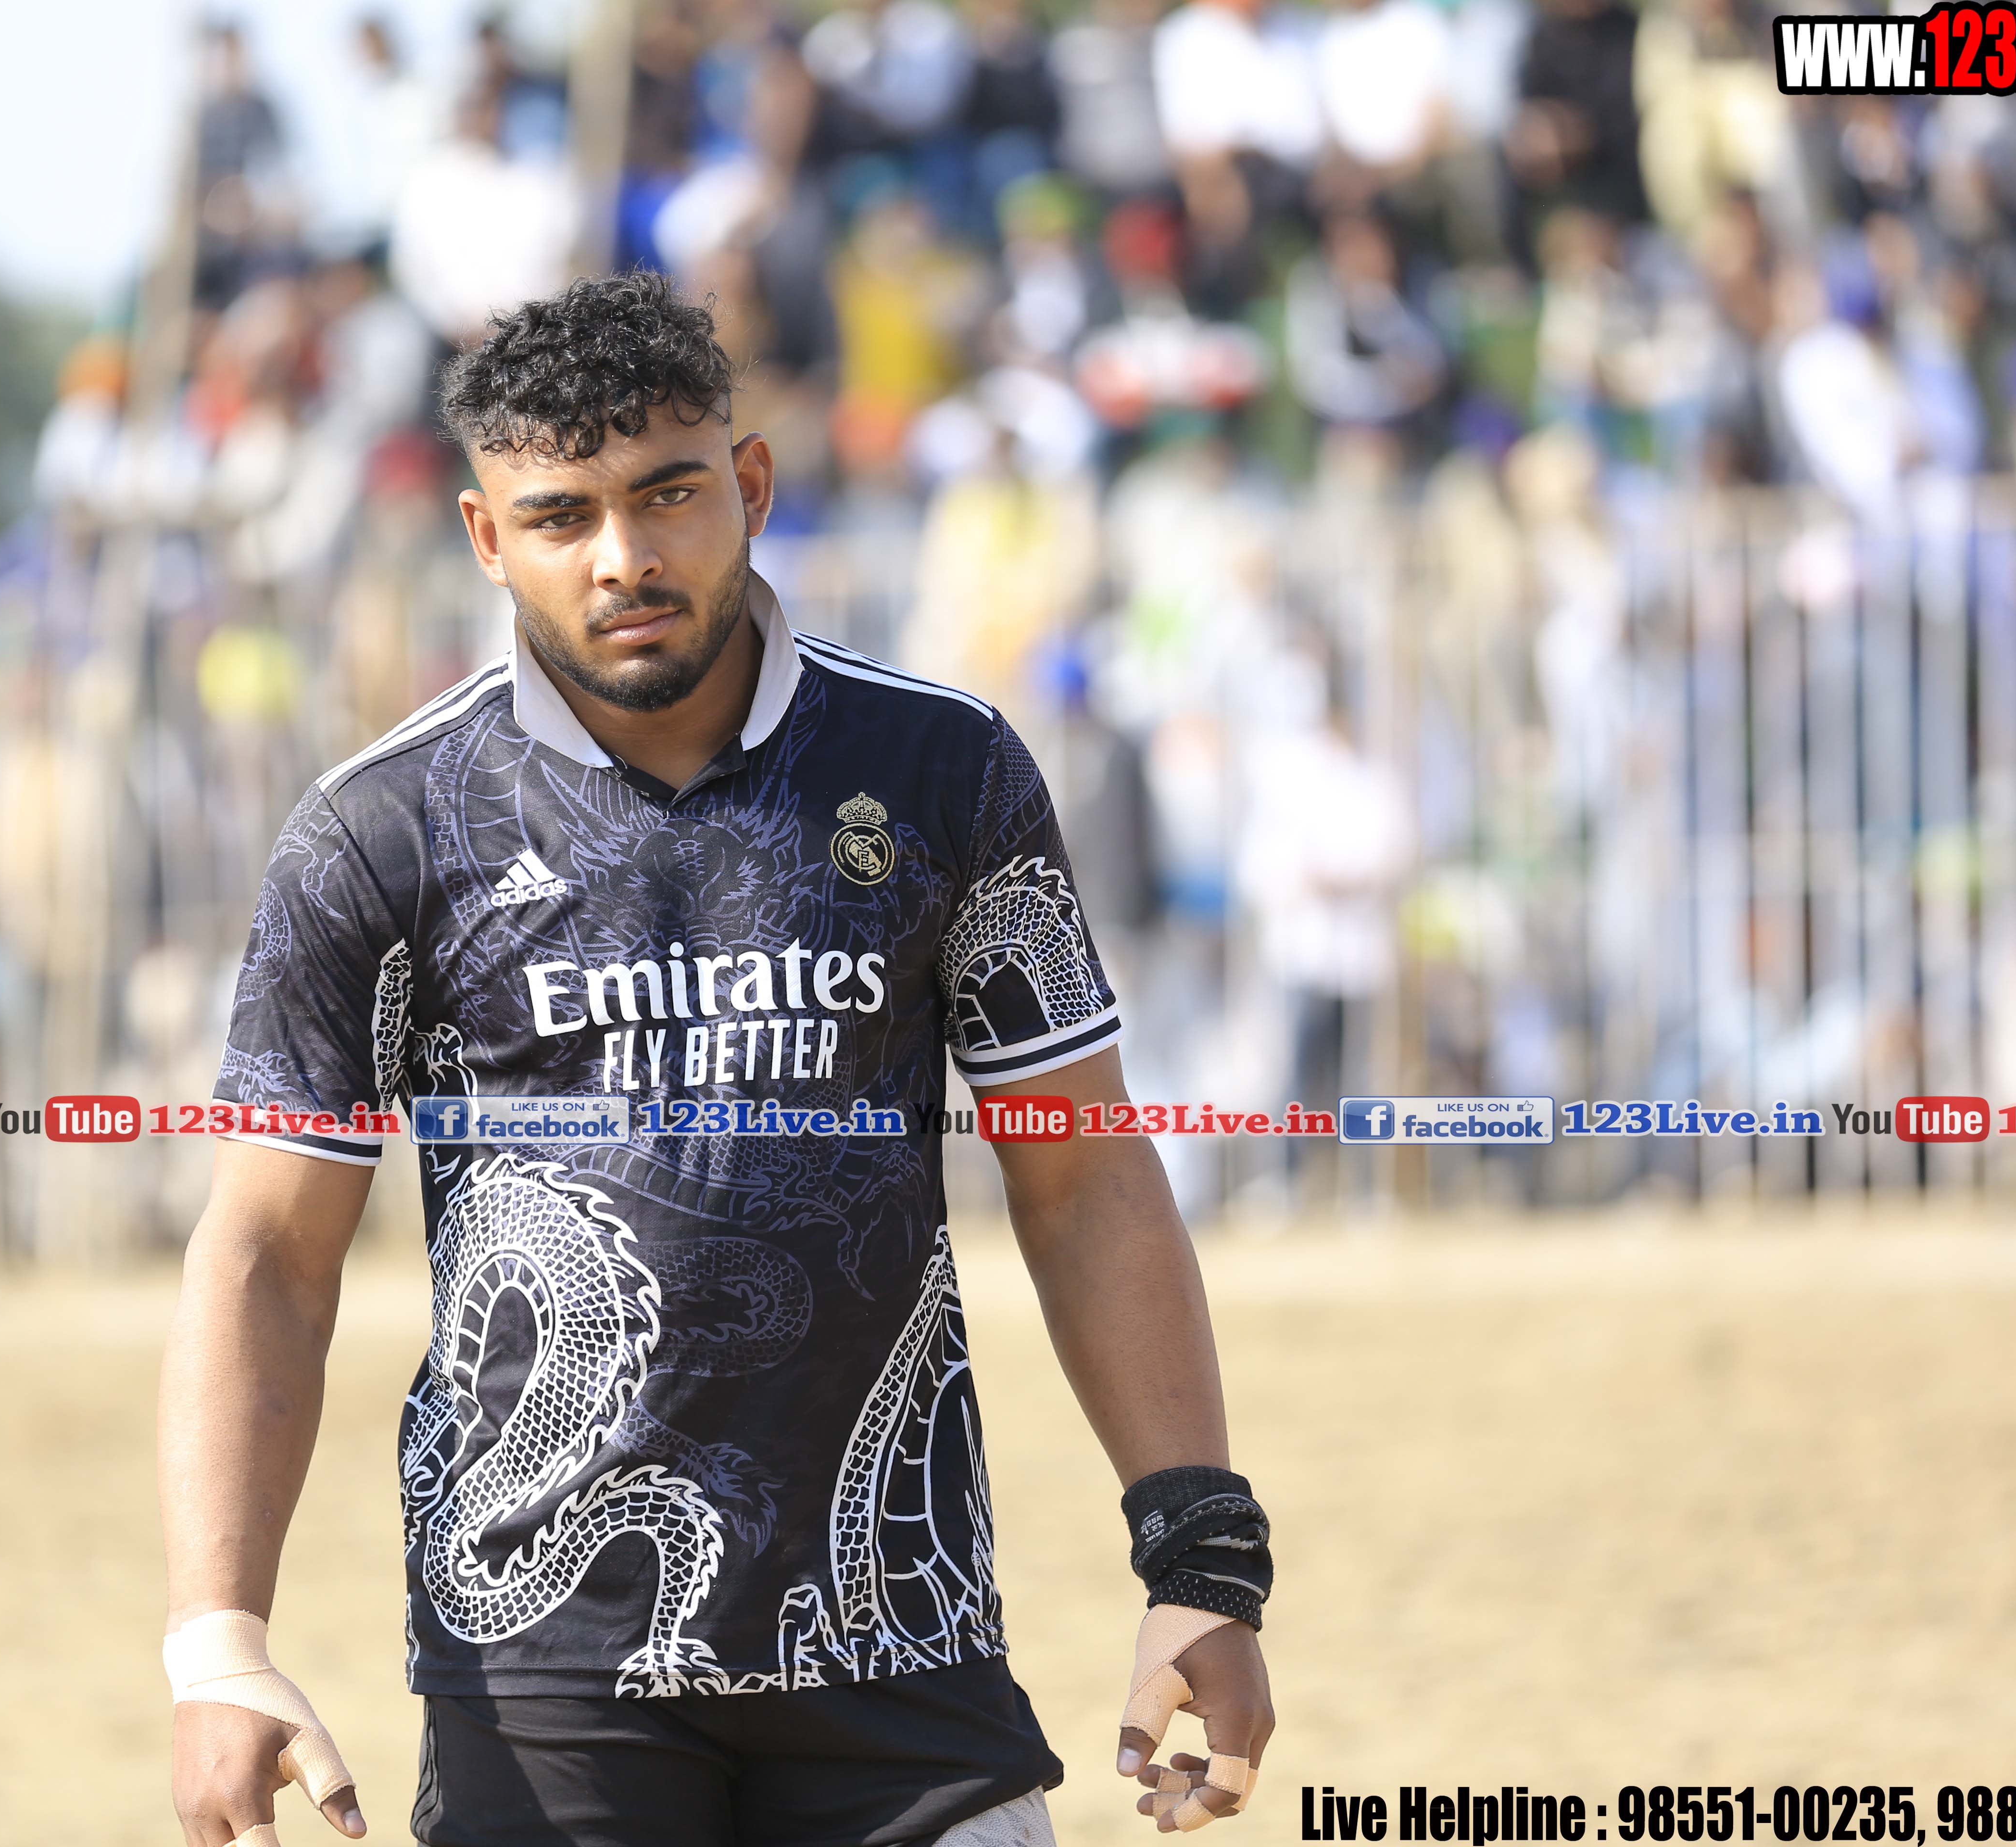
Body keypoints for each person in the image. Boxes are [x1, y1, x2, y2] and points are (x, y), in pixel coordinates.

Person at [158, 271, 1275, 1847]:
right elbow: (268, 1251)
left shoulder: (942, 770)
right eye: (560, 517)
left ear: (749, 483)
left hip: (904, 1638)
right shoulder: (380, 830)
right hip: (539, 1680)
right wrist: (218, 1639)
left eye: (667, 493)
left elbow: (1084, 1174)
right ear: (485, 539)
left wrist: (1198, 1555)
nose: (623, 556)